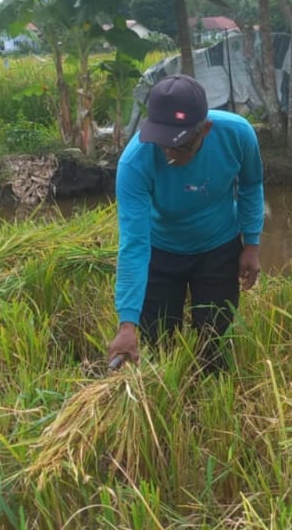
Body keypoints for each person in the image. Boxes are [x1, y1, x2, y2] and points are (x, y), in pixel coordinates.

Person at [107, 75, 264, 375]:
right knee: (160, 344)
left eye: (179, 146)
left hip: (219, 246)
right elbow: (134, 245)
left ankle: (209, 403)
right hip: (162, 250)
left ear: (205, 129)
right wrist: (127, 323)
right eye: (162, 142)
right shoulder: (134, 164)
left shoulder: (238, 134)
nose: (168, 153)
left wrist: (252, 245)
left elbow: (251, 184)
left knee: (213, 342)